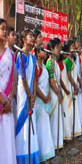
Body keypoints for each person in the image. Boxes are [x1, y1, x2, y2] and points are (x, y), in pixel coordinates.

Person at [15, 29, 40, 163]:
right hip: (23, 93)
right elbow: (23, 78)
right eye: (30, 36)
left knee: (32, 123)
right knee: (23, 122)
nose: (33, 38)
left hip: (31, 95)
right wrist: (29, 95)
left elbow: (34, 79)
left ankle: (32, 155)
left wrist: (34, 95)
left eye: (33, 36)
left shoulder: (33, 57)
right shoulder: (20, 56)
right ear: (24, 39)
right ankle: (21, 156)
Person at [34, 44, 55, 162]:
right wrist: (44, 97)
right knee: (41, 129)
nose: (45, 51)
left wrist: (49, 96)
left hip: (46, 100)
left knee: (46, 128)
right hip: (39, 102)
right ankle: (42, 154)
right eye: (42, 49)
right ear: (37, 54)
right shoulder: (36, 68)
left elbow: (46, 83)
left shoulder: (44, 67)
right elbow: (35, 86)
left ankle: (48, 152)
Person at [0, 19, 17, 164]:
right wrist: (3, 101)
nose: (5, 32)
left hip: (8, 104)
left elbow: (13, 79)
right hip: (2, 103)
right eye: (2, 29)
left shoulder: (10, 54)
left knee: (7, 138)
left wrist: (9, 100)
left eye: (6, 29)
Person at [46, 39, 63, 149]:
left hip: (57, 90)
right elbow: (52, 81)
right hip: (53, 93)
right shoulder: (50, 62)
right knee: (54, 119)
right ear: (51, 49)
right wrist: (58, 93)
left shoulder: (55, 62)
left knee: (58, 118)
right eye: (57, 48)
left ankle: (58, 143)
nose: (59, 50)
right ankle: (54, 144)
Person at [63, 40, 82, 139]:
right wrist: (75, 85)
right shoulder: (67, 60)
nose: (74, 48)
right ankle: (72, 132)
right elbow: (69, 75)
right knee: (71, 110)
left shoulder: (71, 59)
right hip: (70, 87)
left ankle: (75, 131)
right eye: (73, 46)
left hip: (73, 85)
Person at [6, 26, 18, 126]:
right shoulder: (4, 53)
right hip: (5, 96)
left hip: (12, 95)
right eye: (12, 35)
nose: (15, 37)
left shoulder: (13, 53)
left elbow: (14, 77)